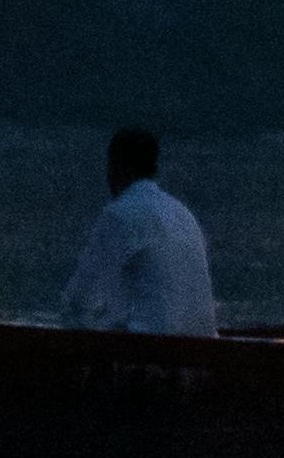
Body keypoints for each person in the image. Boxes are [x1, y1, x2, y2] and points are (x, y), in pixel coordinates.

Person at [65, 127, 217, 334]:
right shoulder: (183, 214)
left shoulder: (120, 214)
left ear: (117, 167)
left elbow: (80, 298)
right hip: (204, 353)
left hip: (149, 354)